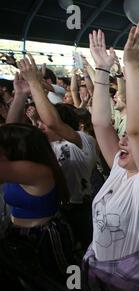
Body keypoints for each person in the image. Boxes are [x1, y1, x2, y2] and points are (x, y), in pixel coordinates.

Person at [82, 20, 139, 291]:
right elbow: (100, 124)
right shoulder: (118, 170)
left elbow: (137, 131)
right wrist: (102, 69)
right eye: (122, 137)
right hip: (101, 267)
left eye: (129, 141)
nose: (122, 140)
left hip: (133, 279)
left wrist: (131, 66)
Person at [17, 55, 98, 252]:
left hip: (82, 211)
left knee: (90, 250)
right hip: (57, 210)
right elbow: (13, 132)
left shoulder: (82, 141)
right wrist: (20, 96)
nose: (41, 124)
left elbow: (53, 122)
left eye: (44, 121)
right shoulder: (46, 145)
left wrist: (35, 82)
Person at [0, 123, 74, 284]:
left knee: (65, 281)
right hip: (19, 234)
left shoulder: (37, 171)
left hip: (45, 237)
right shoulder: (18, 165)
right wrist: (19, 97)